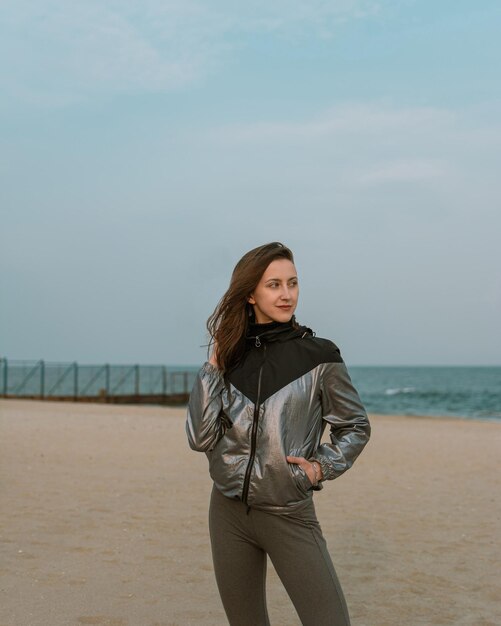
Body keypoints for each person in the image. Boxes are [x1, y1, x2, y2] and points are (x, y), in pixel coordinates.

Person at [186, 241, 371, 626]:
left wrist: (318, 469)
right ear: (250, 293)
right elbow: (200, 438)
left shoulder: (319, 356)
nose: (286, 294)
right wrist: (212, 369)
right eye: (274, 285)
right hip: (227, 512)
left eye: (293, 283)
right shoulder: (230, 356)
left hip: (288, 511)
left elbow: (355, 426)